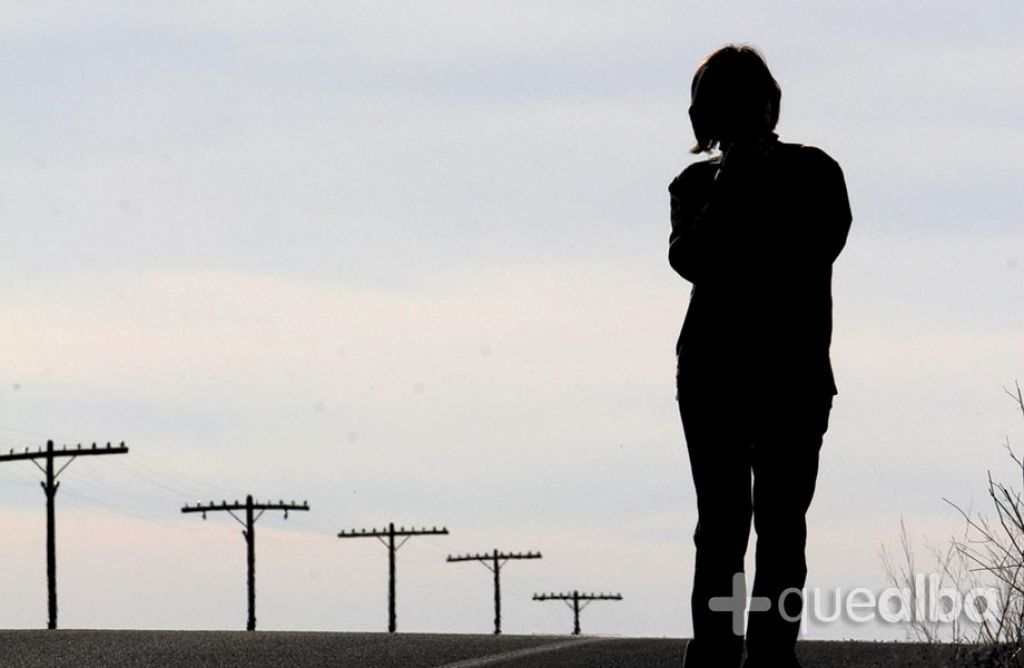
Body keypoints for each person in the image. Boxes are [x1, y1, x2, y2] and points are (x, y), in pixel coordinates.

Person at [668, 45, 852, 668]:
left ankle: (771, 653)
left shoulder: (816, 172)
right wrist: (733, 182)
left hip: (791, 376)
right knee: (722, 525)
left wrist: (751, 184)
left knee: (780, 525)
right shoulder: (696, 184)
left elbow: (818, 246)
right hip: (716, 377)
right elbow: (690, 259)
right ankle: (718, 651)